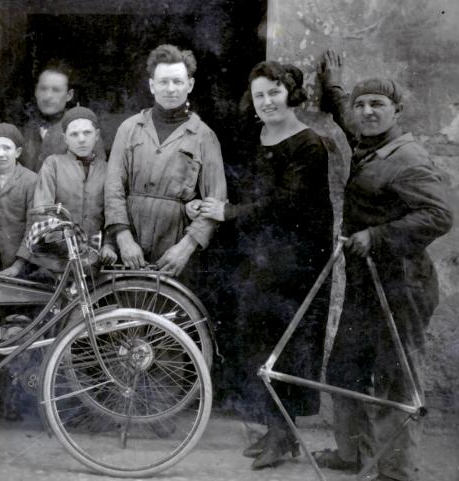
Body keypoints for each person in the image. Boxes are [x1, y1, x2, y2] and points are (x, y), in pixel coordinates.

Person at [315, 50, 452, 481]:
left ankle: (396, 470)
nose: (367, 111)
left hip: (402, 284)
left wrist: (375, 236)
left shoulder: (408, 159)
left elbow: (439, 216)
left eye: (378, 105)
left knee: (396, 375)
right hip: (366, 281)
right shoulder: (367, 141)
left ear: (398, 111)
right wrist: (334, 85)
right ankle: (352, 454)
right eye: (362, 105)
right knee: (347, 367)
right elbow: (343, 113)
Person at [196, 61, 333, 469]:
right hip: (260, 257)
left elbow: (287, 205)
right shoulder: (256, 135)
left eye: (274, 91)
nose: (267, 101)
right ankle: (277, 431)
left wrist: (229, 212)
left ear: (291, 93)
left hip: (295, 262)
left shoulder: (308, 144)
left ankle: (283, 435)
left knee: (287, 346)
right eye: (259, 95)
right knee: (257, 340)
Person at [105, 44, 227, 279]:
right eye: (163, 82)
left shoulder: (204, 136)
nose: (171, 89)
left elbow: (216, 201)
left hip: (175, 248)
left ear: (190, 85)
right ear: (152, 85)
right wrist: (123, 238)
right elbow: (113, 189)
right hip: (130, 245)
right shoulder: (129, 129)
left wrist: (185, 248)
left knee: (172, 312)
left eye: (178, 82)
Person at [32, 106, 117, 268]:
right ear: (65, 138)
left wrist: (109, 245)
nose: (81, 139)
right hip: (57, 259)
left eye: (87, 133)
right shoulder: (53, 165)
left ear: (97, 135)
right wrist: (67, 243)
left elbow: (113, 213)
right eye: (74, 134)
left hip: (95, 259)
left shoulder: (108, 170)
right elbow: (42, 211)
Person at [20, 62, 106, 173]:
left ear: (69, 95)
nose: (48, 96)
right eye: (43, 89)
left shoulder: (84, 130)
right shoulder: (25, 130)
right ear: (35, 91)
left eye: (56, 90)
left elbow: (97, 178)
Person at [0, 123, 38, 276]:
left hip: (20, 264)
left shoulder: (31, 181)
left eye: (7, 148)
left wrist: (18, 265)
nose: (0, 154)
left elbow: (34, 227)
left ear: (17, 152)